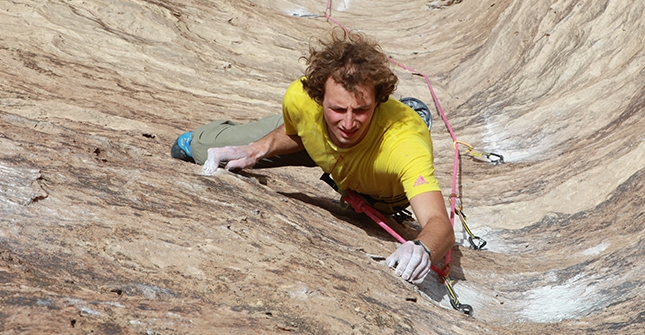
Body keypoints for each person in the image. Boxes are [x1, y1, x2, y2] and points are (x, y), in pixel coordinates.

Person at [171, 28, 454, 283]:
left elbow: (439, 224)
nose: (348, 123)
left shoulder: (404, 145)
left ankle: (409, 113)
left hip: (376, 177)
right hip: (323, 148)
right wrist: (258, 148)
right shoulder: (300, 99)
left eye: (362, 109)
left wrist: (422, 249)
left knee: (367, 149)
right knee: (199, 147)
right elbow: (298, 130)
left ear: (378, 100)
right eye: (338, 109)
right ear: (319, 97)